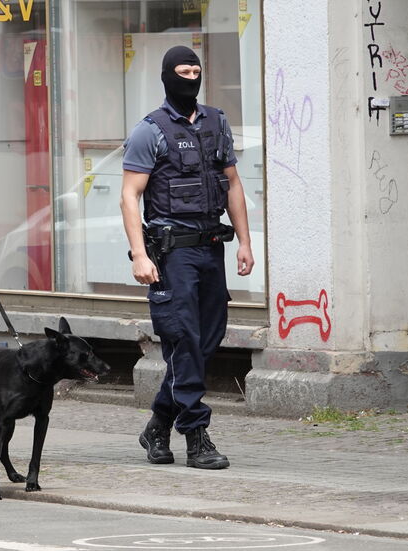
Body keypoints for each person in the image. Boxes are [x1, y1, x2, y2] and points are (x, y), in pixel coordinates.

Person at [119, 46, 254, 470]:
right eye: (183, 70)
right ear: (166, 76)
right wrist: (139, 255)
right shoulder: (150, 130)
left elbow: (232, 184)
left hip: (211, 247)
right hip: (171, 251)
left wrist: (246, 243)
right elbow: (129, 196)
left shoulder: (217, 122)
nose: (191, 77)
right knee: (184, 339)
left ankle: (158, 422)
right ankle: (196, 433)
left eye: (197, 70)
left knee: (206, 341)